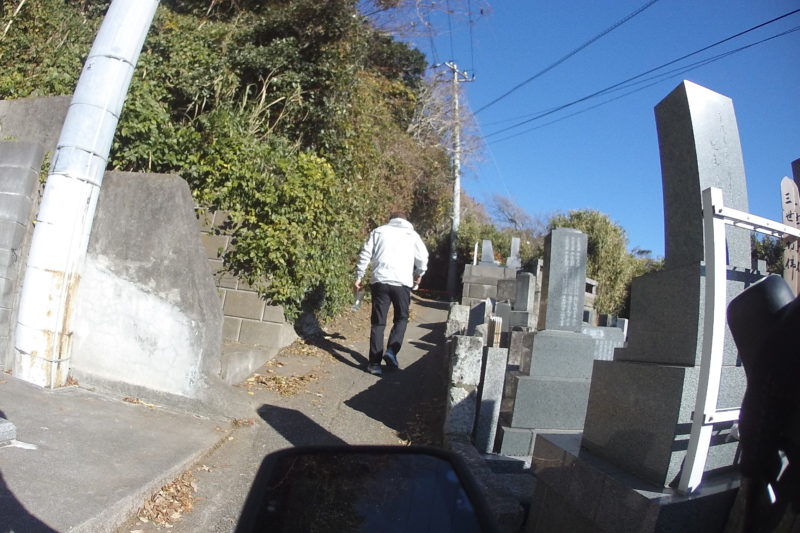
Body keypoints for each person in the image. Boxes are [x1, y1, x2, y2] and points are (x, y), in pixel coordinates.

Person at [355, 211, 428, 376]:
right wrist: (419, 274)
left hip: (380, 281)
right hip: (402, 283)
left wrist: (359, 276)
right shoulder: (413, 235)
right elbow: (423, 259)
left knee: (378, 322)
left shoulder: (379, 231)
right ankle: (392, 351)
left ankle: (374, 363)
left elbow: (365, 254)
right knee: (401, 318)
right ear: (405, 221)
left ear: (391, 220)